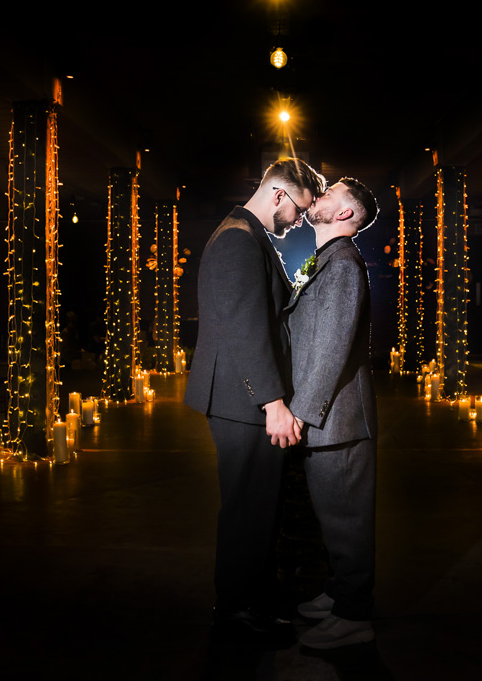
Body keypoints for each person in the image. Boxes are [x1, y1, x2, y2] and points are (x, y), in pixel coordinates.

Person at [184, 157, 326, 640]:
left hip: (239, 397)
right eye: (300, 210)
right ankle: (236, 612)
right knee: (247, 507)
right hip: (240, 401)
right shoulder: (238, 241)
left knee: (257, 506)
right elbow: (245, 330)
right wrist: (273, 402)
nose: (300, 220)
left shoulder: (247, 235)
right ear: (279, 195)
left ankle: (256, 603)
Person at [285, 178, 380, 650]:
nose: (317, 198)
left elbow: (330, 351)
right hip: (327, 416)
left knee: (347, 520)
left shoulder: (343, 265)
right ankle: (341, 593)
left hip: (337, 420)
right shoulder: (324, 260)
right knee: (332, 516)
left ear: (345, 214)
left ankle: (354, 616)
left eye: (329, 194)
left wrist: (301, 413)